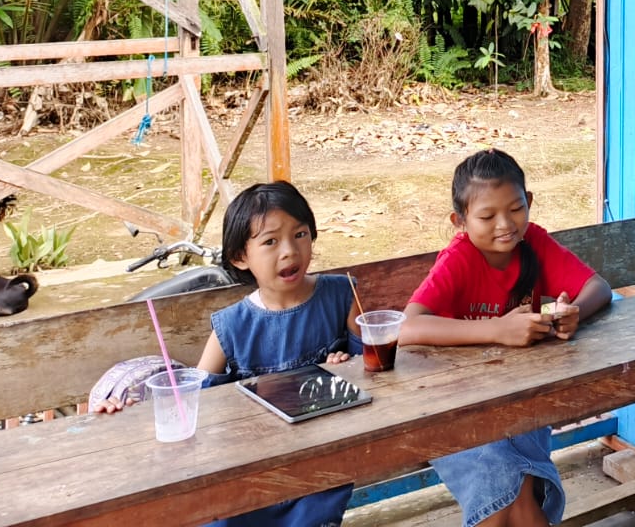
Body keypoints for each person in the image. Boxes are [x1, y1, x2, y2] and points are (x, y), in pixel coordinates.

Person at [401, 149, 613, 527]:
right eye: (487, 216)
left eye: (515, 209)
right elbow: (408, 327)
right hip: (455, 405)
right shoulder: (459, 259)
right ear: (460, 221)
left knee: (517, 488)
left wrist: (575, 313)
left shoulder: (533, 243)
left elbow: (597, 286)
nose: (505, 224)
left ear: (528, 202)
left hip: (520, 397)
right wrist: (497, 329)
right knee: (512, 490)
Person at [199, 182, 362, 527]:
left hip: (322, 460)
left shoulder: (340, 295)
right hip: (252, 466)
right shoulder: (231, 327)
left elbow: (376, 369)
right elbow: (195, 402)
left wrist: (348, 370)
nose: (290, 251)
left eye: (300, 234)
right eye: (270, 241)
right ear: (240, 256)